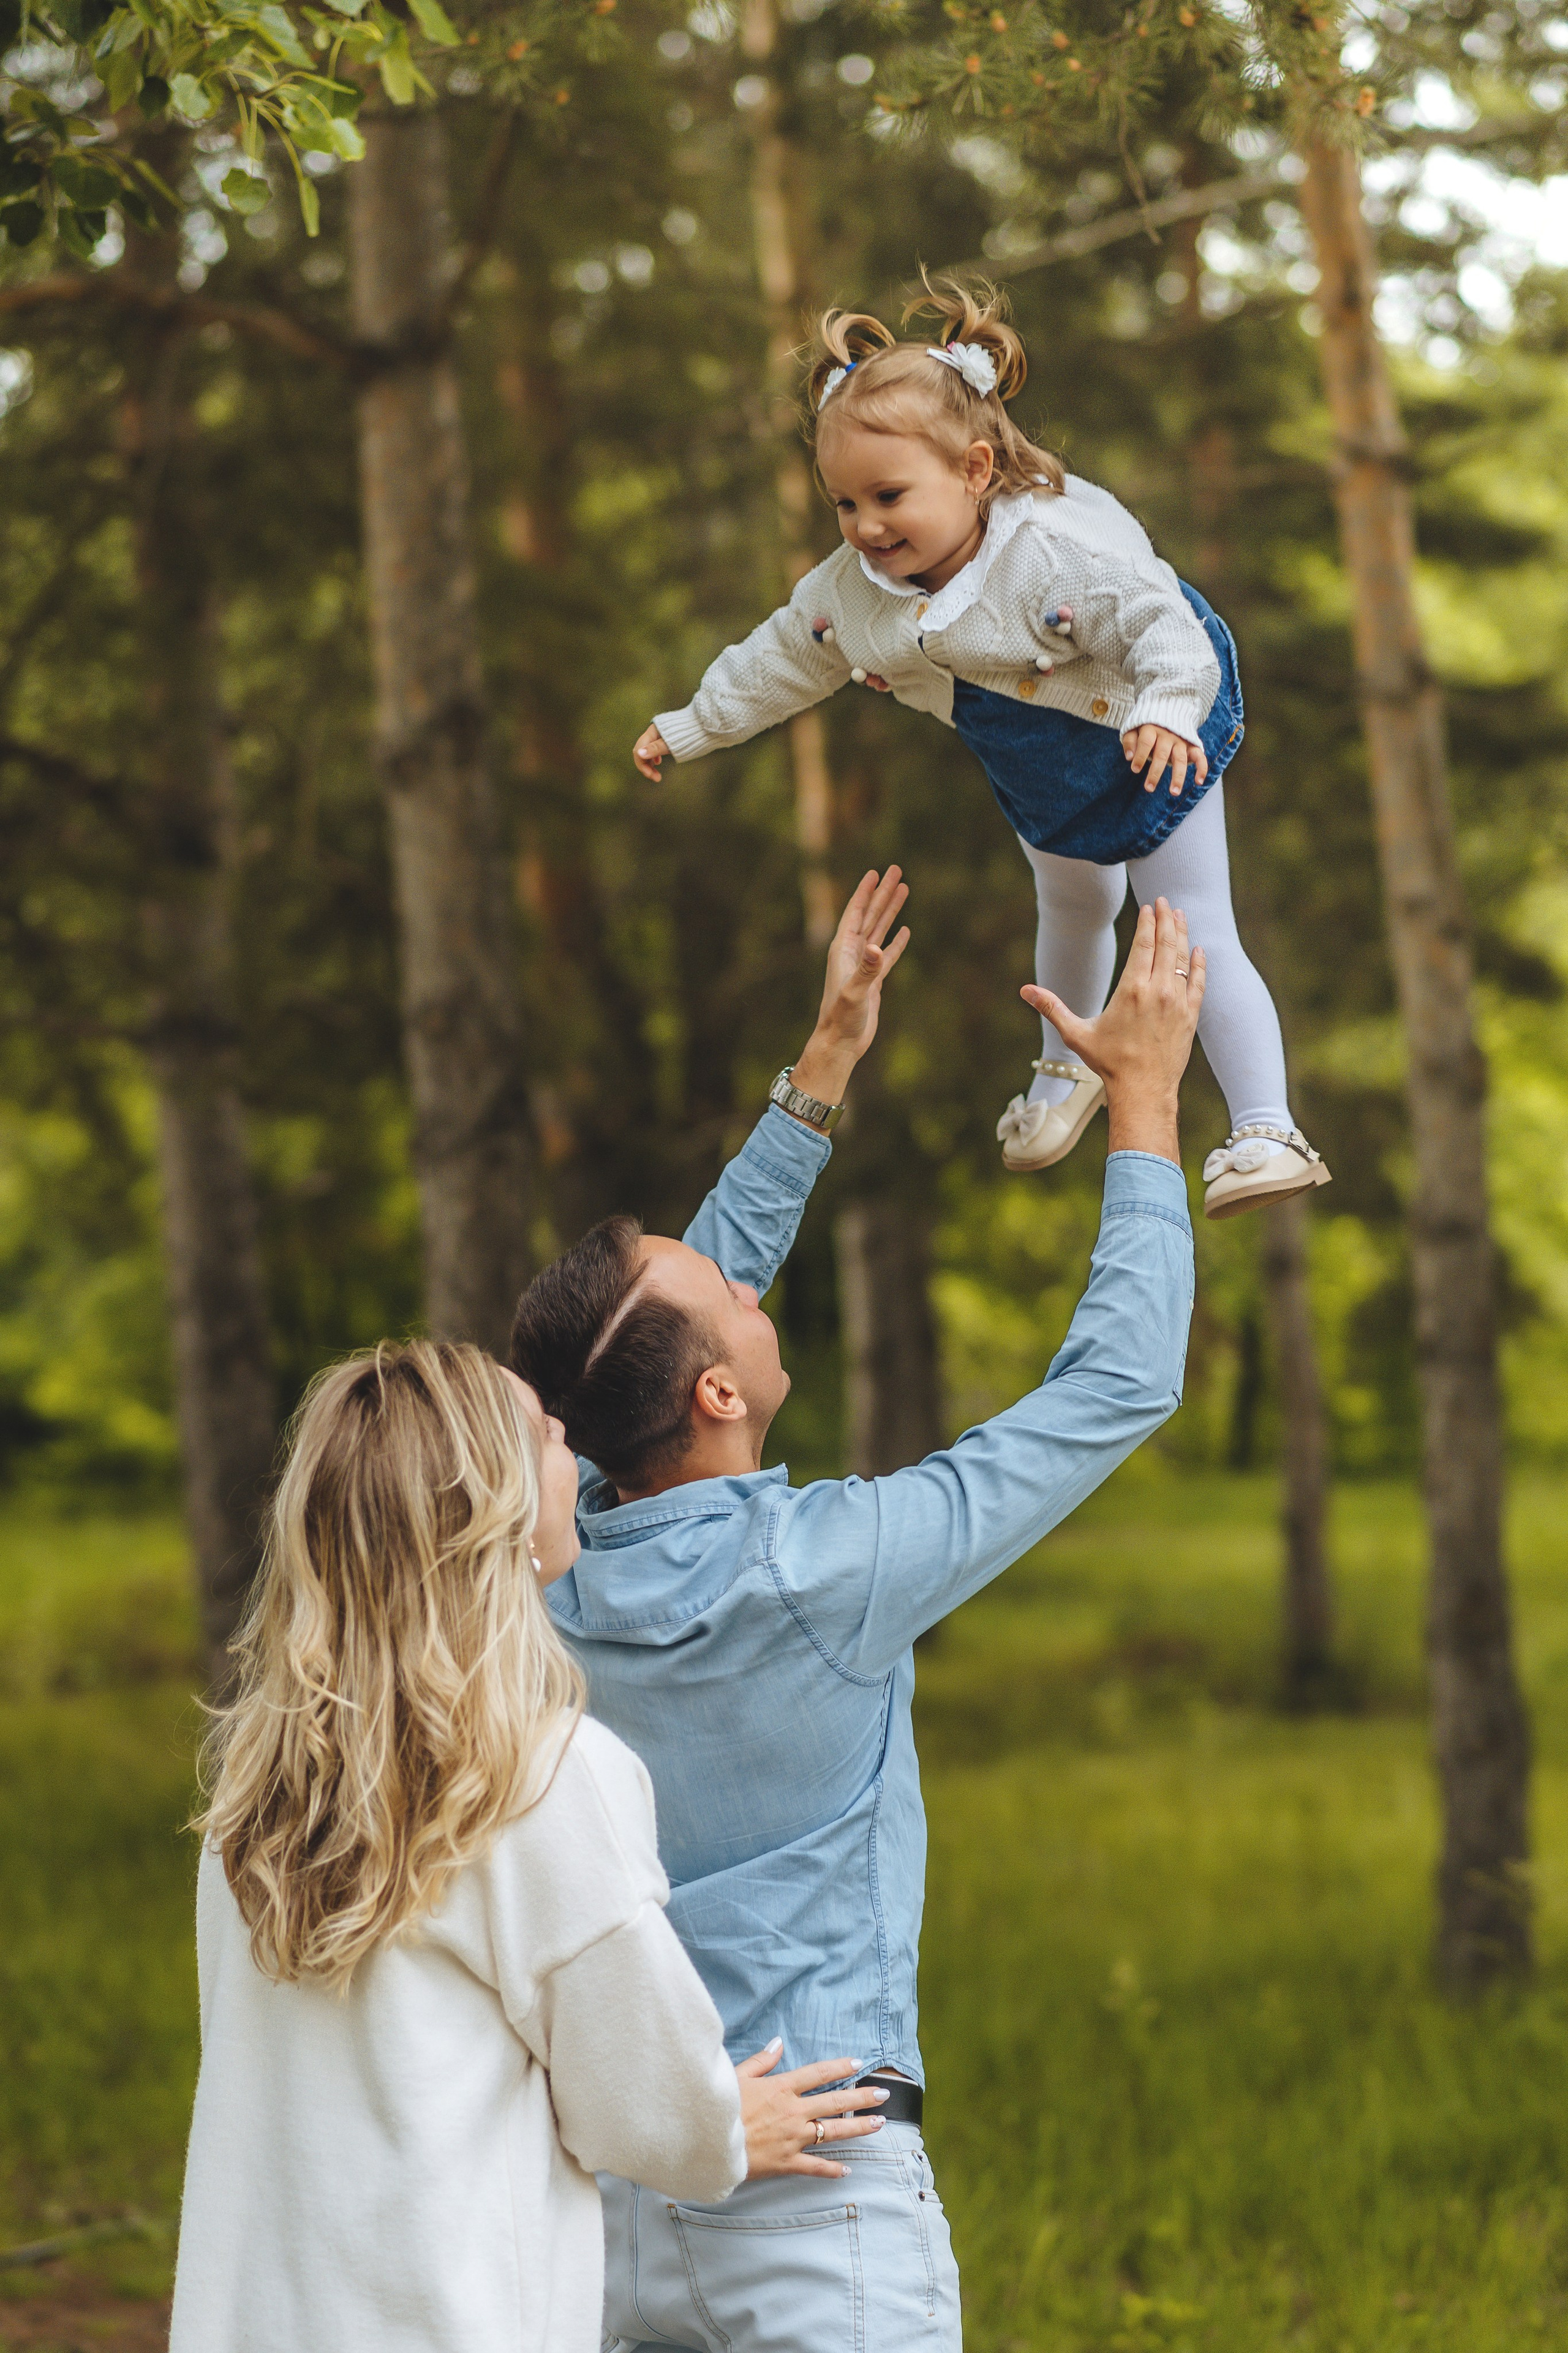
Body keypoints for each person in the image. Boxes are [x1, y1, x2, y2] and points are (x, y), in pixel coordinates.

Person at [510, 869, 1204, 2353]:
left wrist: (820, 1070)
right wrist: (1143, 1107)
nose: (755, 1294)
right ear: (714, 1393)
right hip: (820, 2201)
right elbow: (1115, 1387)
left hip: (622, 2196)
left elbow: (631, 1372)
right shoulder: (829, 1571)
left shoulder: (545, 1564)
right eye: (735, 1299)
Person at [168, 1340, 887, 2353]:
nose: (576, 1452)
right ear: (493, 1510)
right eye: (552, 1437)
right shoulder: (543, 1773)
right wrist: (726, 2124)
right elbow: (641, 2100)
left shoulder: (260, 1782)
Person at [631, 278, 1329, 1223]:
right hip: (1037, 763)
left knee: (1191, 922)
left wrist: (1165, 707)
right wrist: (691, 725)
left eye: (888, 496)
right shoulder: (857, 587)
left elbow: (1166, 627)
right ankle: (1067, 1073)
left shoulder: (1050, 552)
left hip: (1151, 729)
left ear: (972, 469)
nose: (867, 528)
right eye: (844, 503)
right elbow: (784, 656)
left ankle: (1265, 1128)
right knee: (1074, 905)